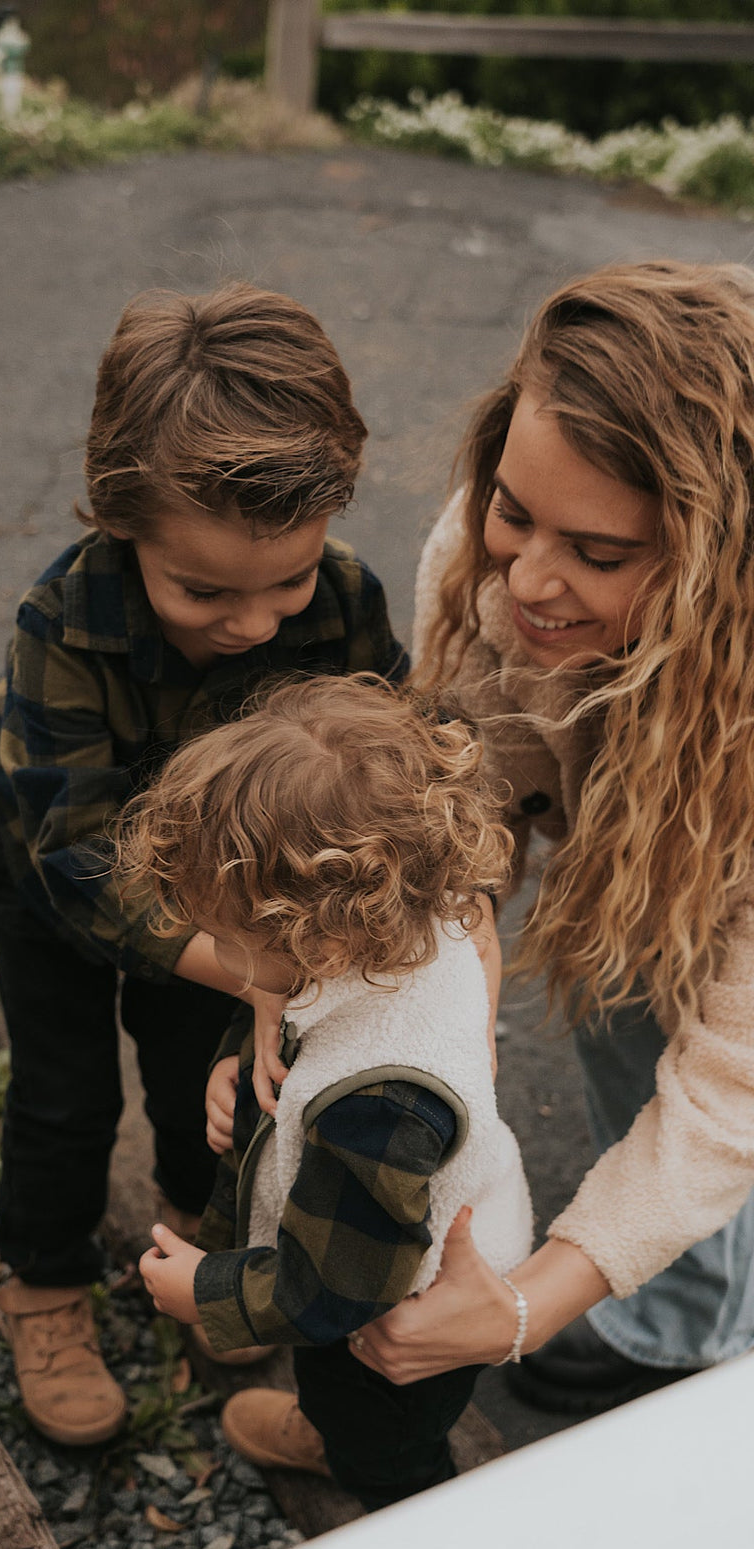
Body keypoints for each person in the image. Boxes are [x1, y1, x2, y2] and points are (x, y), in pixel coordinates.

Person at [0, 283, 407, 1446]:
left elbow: (391, 752)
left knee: (200, 1090)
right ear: (125, 520)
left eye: (288, 583)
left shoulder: (348, 607)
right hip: (60, 872)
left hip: (231, 902)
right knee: (64, 1096)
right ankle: (47, 1284)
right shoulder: (61, 625)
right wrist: (249, 967)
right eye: (205, 590)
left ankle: (196, 1247)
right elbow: (77, 854)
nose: (257, 623)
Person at [334, 259, 754, 1414]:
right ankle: (692, 1281)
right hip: (648, 837)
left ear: (726, 567)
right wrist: (382, 1004)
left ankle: (682, 1336)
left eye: (601, 555)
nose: (527, 576)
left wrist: (533, 1302)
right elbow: (472, 803)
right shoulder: (480, 562)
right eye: (514, 508)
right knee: (625, 987)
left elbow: (732, 1085)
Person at [123, 675, 533, 1508]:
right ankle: (333, 1426)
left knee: (384, 1439)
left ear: (324, 933)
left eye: (232, 941)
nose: (222, 959)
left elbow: (338, 1286)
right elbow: (305, 1010)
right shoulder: (420, 920)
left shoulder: (382, 1104)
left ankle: (382, 1498)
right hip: (389, 1231)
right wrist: (240, 1059)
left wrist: (206, 1291)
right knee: (348, 1398)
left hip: (396, 1313)